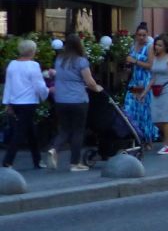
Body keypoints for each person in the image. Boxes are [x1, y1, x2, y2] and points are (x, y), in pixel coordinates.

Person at [44, 33, 105, 172]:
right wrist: (98, 88)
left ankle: (54, 149)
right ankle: (74, 163)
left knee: (64, 129)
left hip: (60, 99)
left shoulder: (59, 60)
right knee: (78, 131)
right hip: (78, 99)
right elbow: (89, 82)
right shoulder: (81, 61)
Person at [3, 39, 50, 172]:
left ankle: (37, 160)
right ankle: (7, 161)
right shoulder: (33, 66)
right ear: (32, 51)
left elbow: (9, 85)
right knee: (20, 133)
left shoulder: (12, 64)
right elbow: (39, 85)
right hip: (28, 102)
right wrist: (46, 93)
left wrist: (8, 103)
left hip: (15, 102)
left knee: (30, 132)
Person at [122, 22, 156, 145]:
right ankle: (134, 137)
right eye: (139, 35)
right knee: (130, 108)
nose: (141, 37)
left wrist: (135, 61)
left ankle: (147, 140)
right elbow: (130, 62)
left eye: (144, 35)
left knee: (144, 111)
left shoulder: (149, 47)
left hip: (145, 81)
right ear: (136, 35)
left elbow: (151, 66)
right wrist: (128, 67)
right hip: (134, 81)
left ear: (147, 35)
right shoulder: (133, 46)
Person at [149, 35, 168, 155]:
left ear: (165, 47)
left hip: (167, 89)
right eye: (156, 44)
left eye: (160, 45)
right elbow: (153, 78)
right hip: (156, 90)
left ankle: (167, 145)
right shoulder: (155, 58)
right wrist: (145, 92)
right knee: (156, 118)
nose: (157, 47)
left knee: (165, 118)